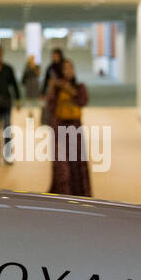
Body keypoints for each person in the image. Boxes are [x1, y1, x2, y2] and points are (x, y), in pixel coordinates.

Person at [46, 58, 92, 197]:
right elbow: (50, 106)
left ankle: (78, 194)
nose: (68, 71)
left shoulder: (79, 87)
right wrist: (53, 88)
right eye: (65, 68)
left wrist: (70, 90)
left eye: (71, 68)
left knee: (76, 163)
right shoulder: (56, 88)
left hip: (74, 129)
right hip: (59, 128)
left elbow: (83, 101)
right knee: (62, 166)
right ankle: (62, 195)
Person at [21, 55, 42, 119]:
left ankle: (38, 113)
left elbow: (38, 74)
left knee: (37, 98)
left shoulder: (36, 67)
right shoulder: (27, 67)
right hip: (29, 84)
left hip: (34, 84)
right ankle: (30, 112)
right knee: (29, 99)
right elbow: (24, 76)